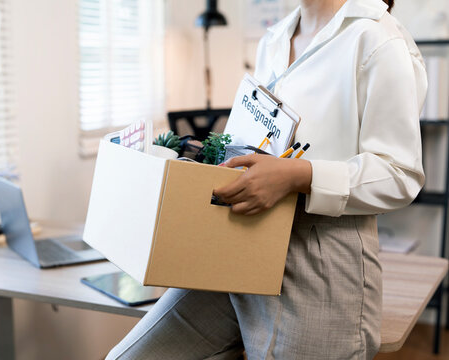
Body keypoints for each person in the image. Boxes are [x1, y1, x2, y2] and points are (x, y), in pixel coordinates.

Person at [106, 0, 427, 358]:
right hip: (242, 240)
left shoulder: (378, 40)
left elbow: (400, 175)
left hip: (322, 256)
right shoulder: (274, 38)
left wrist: (300, 175)